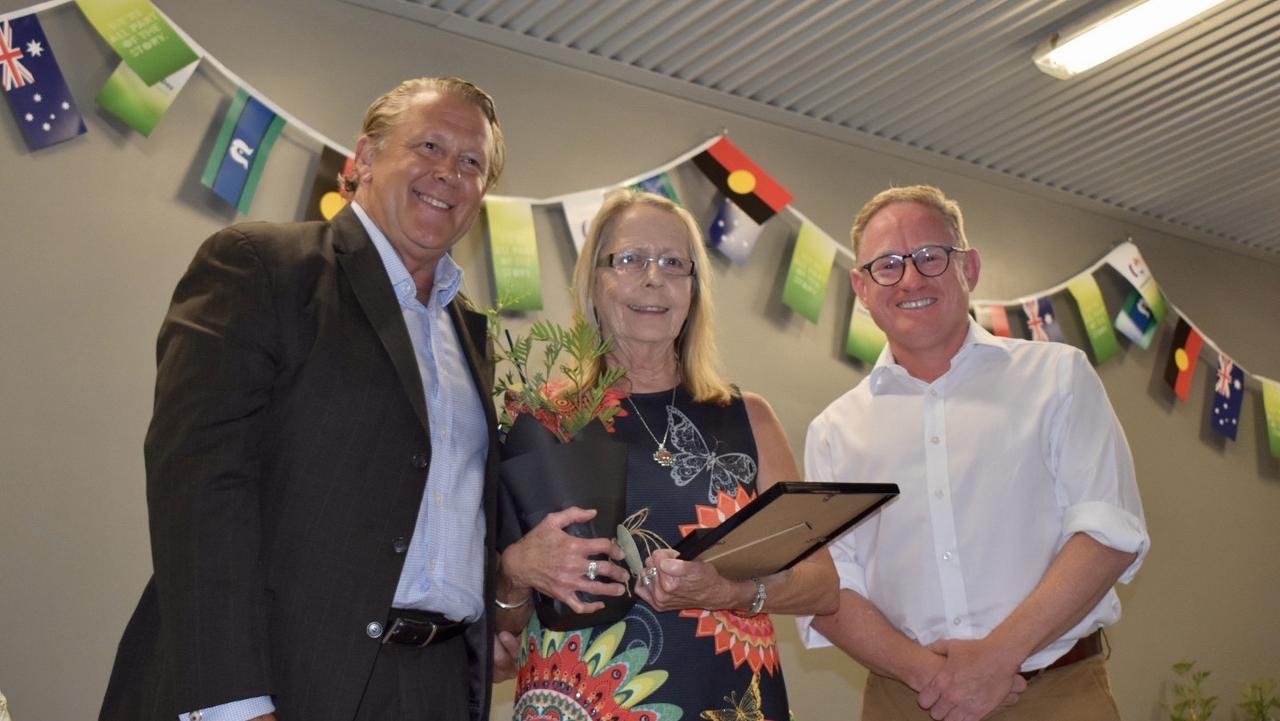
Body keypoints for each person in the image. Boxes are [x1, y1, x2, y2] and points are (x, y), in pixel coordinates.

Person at [100, 77, 507, 721]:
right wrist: (233, 701)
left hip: (432, 687)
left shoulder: (473, 334)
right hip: (279, 680)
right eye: (428, 145)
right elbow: (199, 484)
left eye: (470, 162)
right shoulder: (262, 266)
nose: (447, 173)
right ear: (366, 158)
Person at [799, 185, 1150, 721]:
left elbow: (1107, 533)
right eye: (887, 265)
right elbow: (826, 586)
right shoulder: (833, 431)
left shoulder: (1058, 376)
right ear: (862, 288)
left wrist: (998, 657)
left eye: (930, 257)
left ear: (971, 268)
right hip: (905, 700)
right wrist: (927, 673)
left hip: (1056, 695)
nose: (911, 278)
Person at [491, 189, 839, 720]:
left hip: (727, 700)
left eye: (674, 263)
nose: (654, 278)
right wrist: (516, 571)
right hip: (578, 701)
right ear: (594, 281)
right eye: (630, 260)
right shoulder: (542, 418)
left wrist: (729, 591)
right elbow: (498, 638)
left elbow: (822, 585)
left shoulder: (750, 418)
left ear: (695, 289)